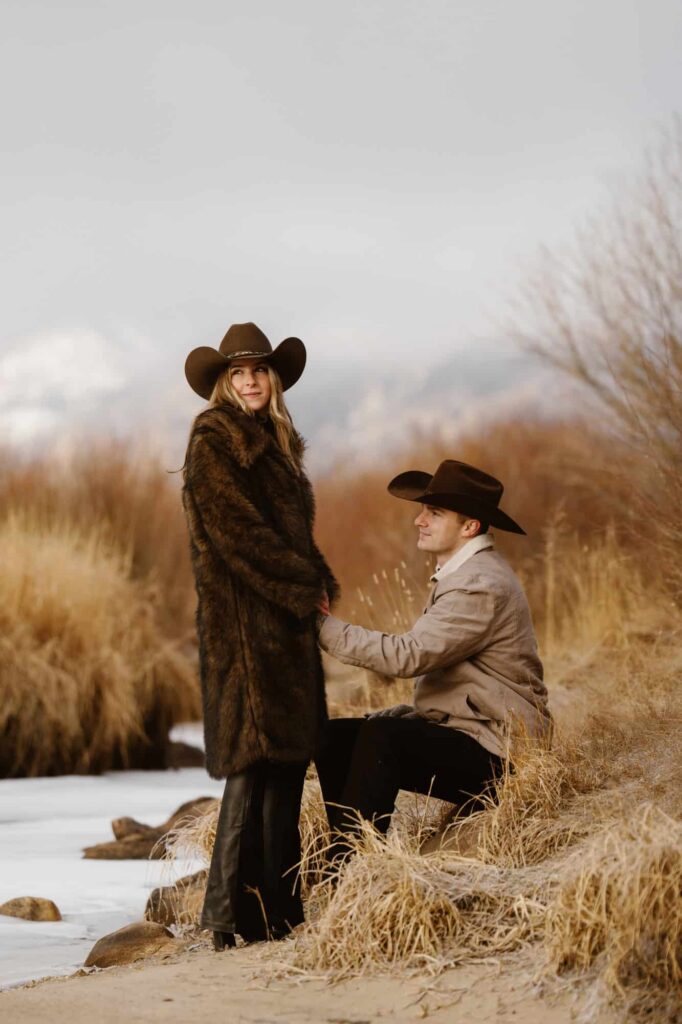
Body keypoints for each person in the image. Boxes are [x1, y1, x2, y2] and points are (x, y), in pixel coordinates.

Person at [182, 321, 338, 949]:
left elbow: (291, 537)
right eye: (238, 372)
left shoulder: (277, 440)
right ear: (224, 382)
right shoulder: (214, 441)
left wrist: (315, 578)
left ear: (272, 379)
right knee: (250, 766)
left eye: (259, 370)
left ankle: (277, 911)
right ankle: (224, 917)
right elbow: (237, 535)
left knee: (286, 765)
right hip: (245, 627)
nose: (249, 380)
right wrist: (306, 584)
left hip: (284, 627)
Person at [315, 459, 550, 852]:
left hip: (505, 755)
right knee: (333, 738)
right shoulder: (464, 573)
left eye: (434, 513)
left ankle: (353, 866)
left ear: (469, 527)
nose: (418, 521)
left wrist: (319, 626)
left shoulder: (479, 585)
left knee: (384, 737)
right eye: (423, 510)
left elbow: (408, 657)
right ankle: (341, 863)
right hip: (475, 735)